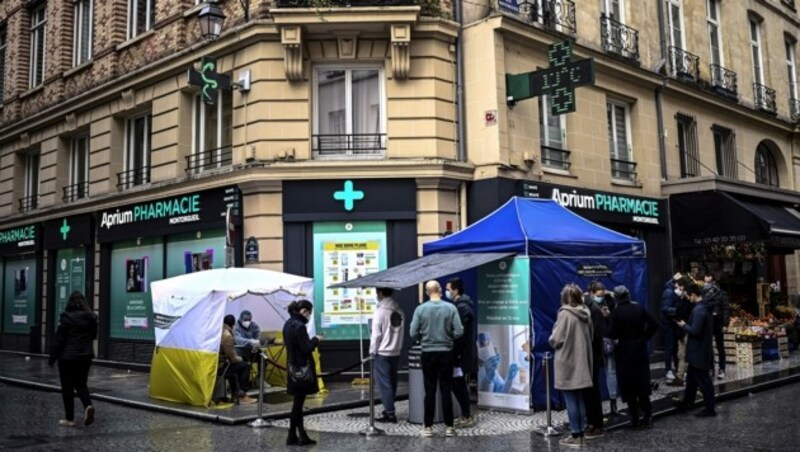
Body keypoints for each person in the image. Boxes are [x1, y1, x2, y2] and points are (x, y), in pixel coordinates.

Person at [409, 280, 464, 438]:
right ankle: (449, 427)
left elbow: (413, 333)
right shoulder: (450, 308)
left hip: (428, 353)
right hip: (446, 352)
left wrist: (424, 338)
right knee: (446, 389)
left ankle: (428, 427)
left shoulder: (420, 309)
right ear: (439, 290)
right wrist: (448, 338)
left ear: (427, 292)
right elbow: (459, 331)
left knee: (430, 390)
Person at [605, 285, 659, 430]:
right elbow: (654, 323)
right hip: (639, 349)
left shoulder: (616, 313)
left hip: (623, 351)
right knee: (642, 384)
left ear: (617, 298)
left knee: (628, 386)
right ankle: (648, 414)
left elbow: (610, 333)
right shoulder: (639, 308)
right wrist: (644, 337)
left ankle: (634, 417)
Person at [550, 283, 593, 449]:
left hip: (567, 361)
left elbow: (556, 339)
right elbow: (591, 334)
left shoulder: (565, 315)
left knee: (570, 400)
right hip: (582, 360)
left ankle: (575, 434)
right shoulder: (586, 313)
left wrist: (552, 338)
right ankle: (582, 431)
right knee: (579, 397)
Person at [48, 291, 98, 427]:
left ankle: (69, 419)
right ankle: (88, 405)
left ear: (69, 302)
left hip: (67, 358)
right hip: (86, 356)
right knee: (81, 384)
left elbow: (59, 340)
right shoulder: (92, 318)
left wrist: (52, 358)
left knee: (67, 388)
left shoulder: (66, 318)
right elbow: (94, 336)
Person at [283, 299, 323, 446]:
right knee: (298, 404)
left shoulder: (288, 324)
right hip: (302, 369)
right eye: (309, 313)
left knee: (297, 403)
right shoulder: (300, 327)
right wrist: (315, 340)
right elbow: (306, 348)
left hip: (292, 368)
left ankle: (297, 435)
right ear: (304, 311)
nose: (309, 316)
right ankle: (293, 435)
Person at [676, 283, 716, 417]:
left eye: (688, 296)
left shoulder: (699, 310)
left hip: (698, 351)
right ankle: (687, 402)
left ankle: (710, 409)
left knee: (704, 381)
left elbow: (695, 330)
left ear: (693, 295)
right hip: (698, 351)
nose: (688, 298)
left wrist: (684, 325)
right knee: (691, 380)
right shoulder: (703, 308)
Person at [369, 287, 404, 424]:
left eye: (377, 292)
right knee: (392, 382)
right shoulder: (400, 310)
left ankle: (390, 413)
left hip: (382, 352)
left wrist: (372, 352)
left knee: (384, 384)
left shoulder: (380, 312)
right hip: (396, 351)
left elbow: (376, 335)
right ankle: (388, 409)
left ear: (381, 293)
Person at [446, 277, 477, 428]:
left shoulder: (462, 308)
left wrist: (455, 354)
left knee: (457, 384)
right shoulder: (461, 306)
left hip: (460, 355)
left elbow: (460, 334)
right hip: (460, 354)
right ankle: (465, 414)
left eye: (449, 289)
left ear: (456, 290)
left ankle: (466, 415)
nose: (447, 292)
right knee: (457, 383)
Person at [581, 281, 611, 439]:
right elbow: (601, 332)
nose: (602, 298)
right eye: (600, 295)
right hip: (593, 354)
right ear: (592, 292)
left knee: (590, 391)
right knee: (592, 390)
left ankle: (593, 423)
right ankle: (595, 422)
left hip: (589, 354)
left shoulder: (588, 307)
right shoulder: (594, 309)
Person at [219, 315, 257, 405]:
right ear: (233, 323)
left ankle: (235, 394)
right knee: (245, 366)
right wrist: (241, 359)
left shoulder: (221, 331)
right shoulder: (227, 335)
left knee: (236, 369)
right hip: (221, 367)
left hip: (218, 364)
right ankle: (242, 394)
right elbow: (232, 358)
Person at [668, 277, 696, 387]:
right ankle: (683, 376)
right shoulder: (688, 302)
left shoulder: (686, 302)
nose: (677, 288)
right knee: (683, 355)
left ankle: (680, 377)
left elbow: (681, 314)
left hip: (684, 330)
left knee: (683, 355)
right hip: (684, 330)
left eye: (679, 286)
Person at [704, 273, 729, 379]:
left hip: (718, 322)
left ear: (714, 282)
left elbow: (725, 309)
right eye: (705, 282)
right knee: (708, 346)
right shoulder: (704, 293)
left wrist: (725, 324)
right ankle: (710, 368)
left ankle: (721, 368)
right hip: (708, 322)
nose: (706, 284)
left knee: (720, 346)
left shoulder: (722, 294)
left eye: (708, 282)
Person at [660, 272, 683, 381]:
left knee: (674, 347)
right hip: (668, 324)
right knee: (670, 347)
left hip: (671, 323)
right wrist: (678, 311)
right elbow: (665, 309)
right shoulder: (669, 292)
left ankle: (677, 368)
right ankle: (668, 369)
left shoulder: (671, 291)